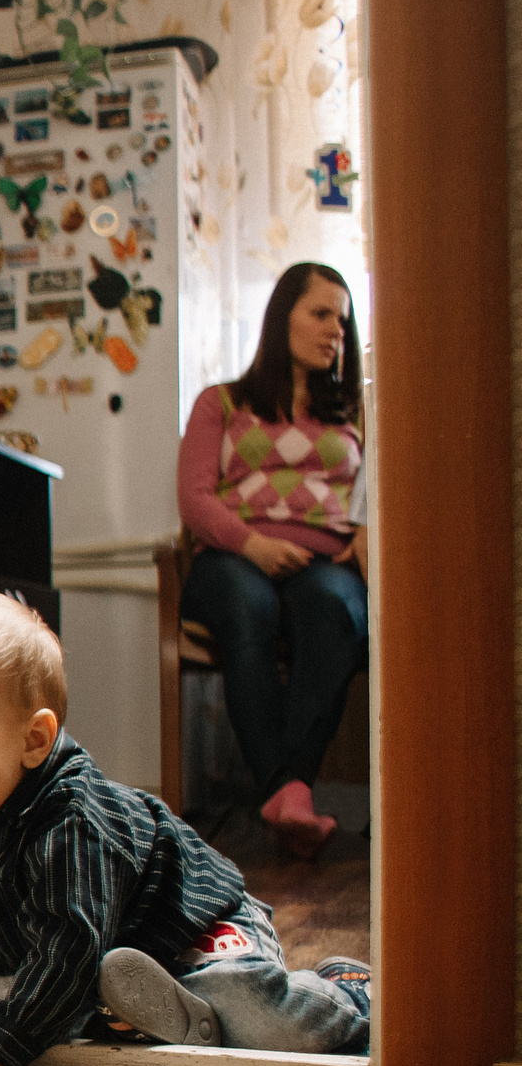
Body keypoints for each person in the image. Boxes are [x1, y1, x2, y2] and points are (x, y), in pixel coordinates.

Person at [0, 591, 369, 1066]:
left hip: (192, 930)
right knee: (6, 991)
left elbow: (69, 943)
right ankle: (156, 1018)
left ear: (33, 741)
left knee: (256, 1013)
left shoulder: (71, 823)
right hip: (106, 955)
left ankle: (352, 994)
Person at [175, 261, 367, 859]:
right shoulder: (222, 402)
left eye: (342, 318)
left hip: (327, 564)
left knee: (336, 611)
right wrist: (251, 543)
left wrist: (366, 538)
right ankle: (288, 789)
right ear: (281, 318)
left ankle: (287, 793)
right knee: (245, 603)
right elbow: (193, 497)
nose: (335, 328)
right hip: (234, 555)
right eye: (319, 313)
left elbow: (379, 494)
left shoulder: (356, 414)